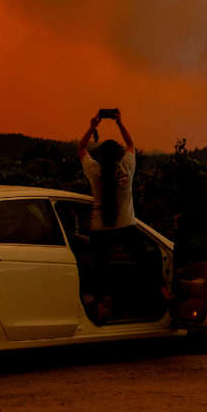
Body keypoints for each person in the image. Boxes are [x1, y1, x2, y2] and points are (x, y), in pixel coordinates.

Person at [76, 109, 137, 323]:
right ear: (119, 155)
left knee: (100, 271)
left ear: (100, 156)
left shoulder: (95, 171)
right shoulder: (127, 169)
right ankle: (159, 293)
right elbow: (131, 145)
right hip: (125, 229)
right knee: (144, 261)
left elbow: (81, 148)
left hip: (99, 231)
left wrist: (93, 126)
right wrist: (120, 123)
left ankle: (102, 309)